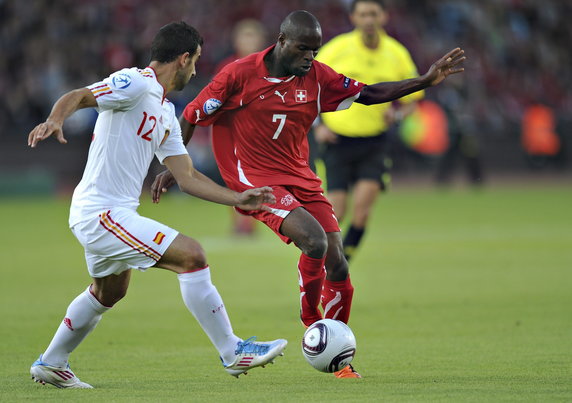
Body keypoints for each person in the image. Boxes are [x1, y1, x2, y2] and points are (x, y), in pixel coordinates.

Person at [152, 11, 465, 378]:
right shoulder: (239, 75)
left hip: (300, 175)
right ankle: (310, 320)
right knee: (314, 242)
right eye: (303, 49)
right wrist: (177, 169)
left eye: (314, 51)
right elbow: (191, 114)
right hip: (253, 177)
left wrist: (425, 81)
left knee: (339, 264)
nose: (310, 58)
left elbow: (367, 93)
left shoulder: (317, 76)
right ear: (282, 41)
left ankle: (339, 358)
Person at [26, 21, 287, 389]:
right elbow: (81, 95)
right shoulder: (136, 83)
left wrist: (238, 198)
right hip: (100, 212)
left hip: (114, 214)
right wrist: (55, 119)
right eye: (195, 61)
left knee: (109, 292)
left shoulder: (165, 112)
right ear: (182, 59)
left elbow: (187, 177)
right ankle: (232, 351)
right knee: (192, 256)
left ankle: (52, 362)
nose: (196, 69)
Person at [313, 0, 424, 262]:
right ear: (353, 18)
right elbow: (308, 87)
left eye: (373, 13)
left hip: (375, 142)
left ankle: (341, 264)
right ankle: (320, 262)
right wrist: (317, 125)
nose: (368, 19)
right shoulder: (336, 49)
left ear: (384, 16)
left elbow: (414, 99)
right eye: (363, 14)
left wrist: (396, 113)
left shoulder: (396, 53)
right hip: (338, 141)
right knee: (336, 213)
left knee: (362, 213)